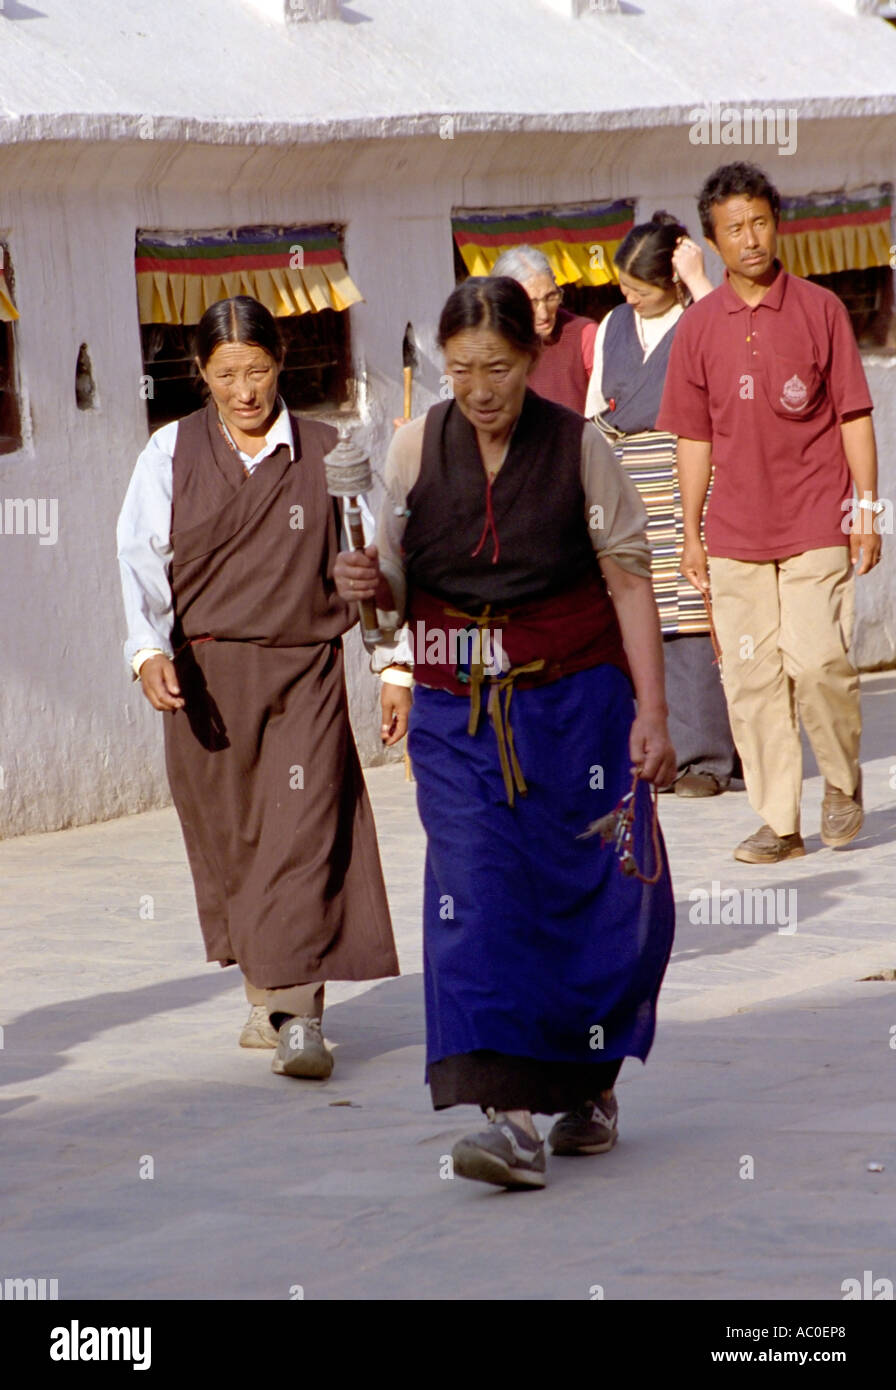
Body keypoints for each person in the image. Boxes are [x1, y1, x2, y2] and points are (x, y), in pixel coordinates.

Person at [335, 277, 676, 1191]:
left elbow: (630, 581)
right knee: (476, 891)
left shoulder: (579, 450)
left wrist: (654, 710)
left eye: (497, 367)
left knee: (589, 897)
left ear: (531, 359)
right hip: (457, 714)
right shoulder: (412, 451)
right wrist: (370, 591)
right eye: (460, 371)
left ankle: (585, 1086)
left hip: (577, 707)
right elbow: (397, 596)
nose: (479, 389)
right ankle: (508, 1117)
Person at [117, 296, 398, 1077]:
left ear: (282, 364)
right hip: (207, 679)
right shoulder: (168, 453)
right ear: (201, 376)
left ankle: (301, 1019)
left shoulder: (325, 451)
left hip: (303, 668)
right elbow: (139, 560)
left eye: (259, 371)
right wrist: (146, 652)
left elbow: (368, 559)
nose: (245, 391)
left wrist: (392, 662)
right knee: (237, 844)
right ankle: (266, 997)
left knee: (303, 835)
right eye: (226, 375)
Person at [656, 162, 881, 863]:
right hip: (733, 534)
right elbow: (692, 437)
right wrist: (689, 533)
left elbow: (854, 416)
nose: (749, 239)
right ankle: (779, 822)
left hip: (816, 518)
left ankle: (842, 783)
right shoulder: (696, 329)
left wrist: (867, 510)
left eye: (758, 222)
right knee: (751, 679)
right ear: (713, 242)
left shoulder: (821, 311)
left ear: (776, 224)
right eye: (733, 229)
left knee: (817, 664)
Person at [585, 211, 737, 798]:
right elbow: (598, 403)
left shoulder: (703, 317)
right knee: (633, 606)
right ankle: (650, 752)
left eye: (640, 289)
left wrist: (700, 281)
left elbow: (727, 362)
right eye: (624, 286)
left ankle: (705, 757)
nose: (629, 298)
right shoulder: (613, 324)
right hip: (623, 476)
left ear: (671, 281)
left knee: (687, 611)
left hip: (683, 473)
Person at [490, 245, 597, 413]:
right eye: (531, 302)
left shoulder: (584, 335)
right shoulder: (488, 343)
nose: (544, 314)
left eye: (550, 297)